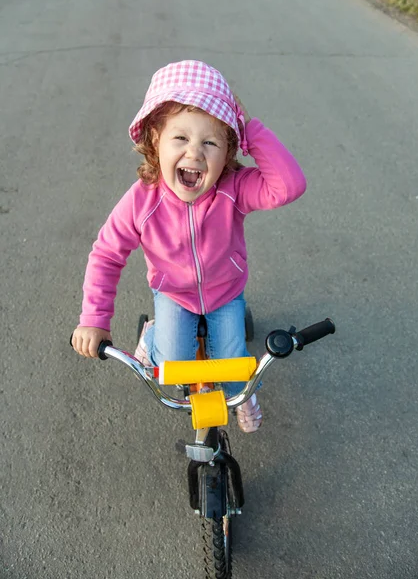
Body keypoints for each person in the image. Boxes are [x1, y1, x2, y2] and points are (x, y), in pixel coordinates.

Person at [71, 60, 307, 433]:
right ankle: (151, 334)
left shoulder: (233, 188)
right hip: (175, 294)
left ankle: (244, 394)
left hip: (225, 292)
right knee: (170, 368)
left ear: (229, 152)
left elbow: (288, 186)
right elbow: (106, 254)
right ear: (154, 141)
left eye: (210, 142)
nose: (195, 153)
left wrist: (249, 127)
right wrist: (94, 320)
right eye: (180, 138)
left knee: (235, 368)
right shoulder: (142, 201)